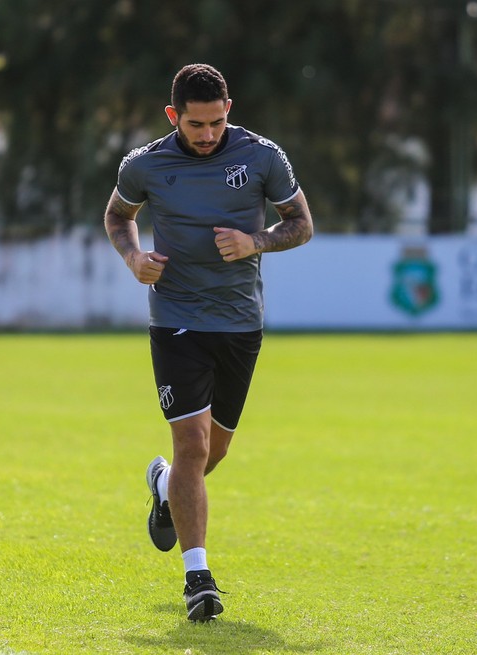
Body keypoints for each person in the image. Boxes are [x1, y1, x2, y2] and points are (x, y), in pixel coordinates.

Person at [103, 63, 313, 622]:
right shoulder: (144, 165)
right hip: (175, 317)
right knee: (193, 445)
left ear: (229, 110)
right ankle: (199, 578)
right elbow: (118, 215)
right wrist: (133, 257)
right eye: (197, 125)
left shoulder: (263, 156)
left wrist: (256, 241)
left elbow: (301, 223)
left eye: (217, 122)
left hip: (241, 322)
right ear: (174, 116)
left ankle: (163, 484)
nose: (208, 134)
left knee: (211, 453)